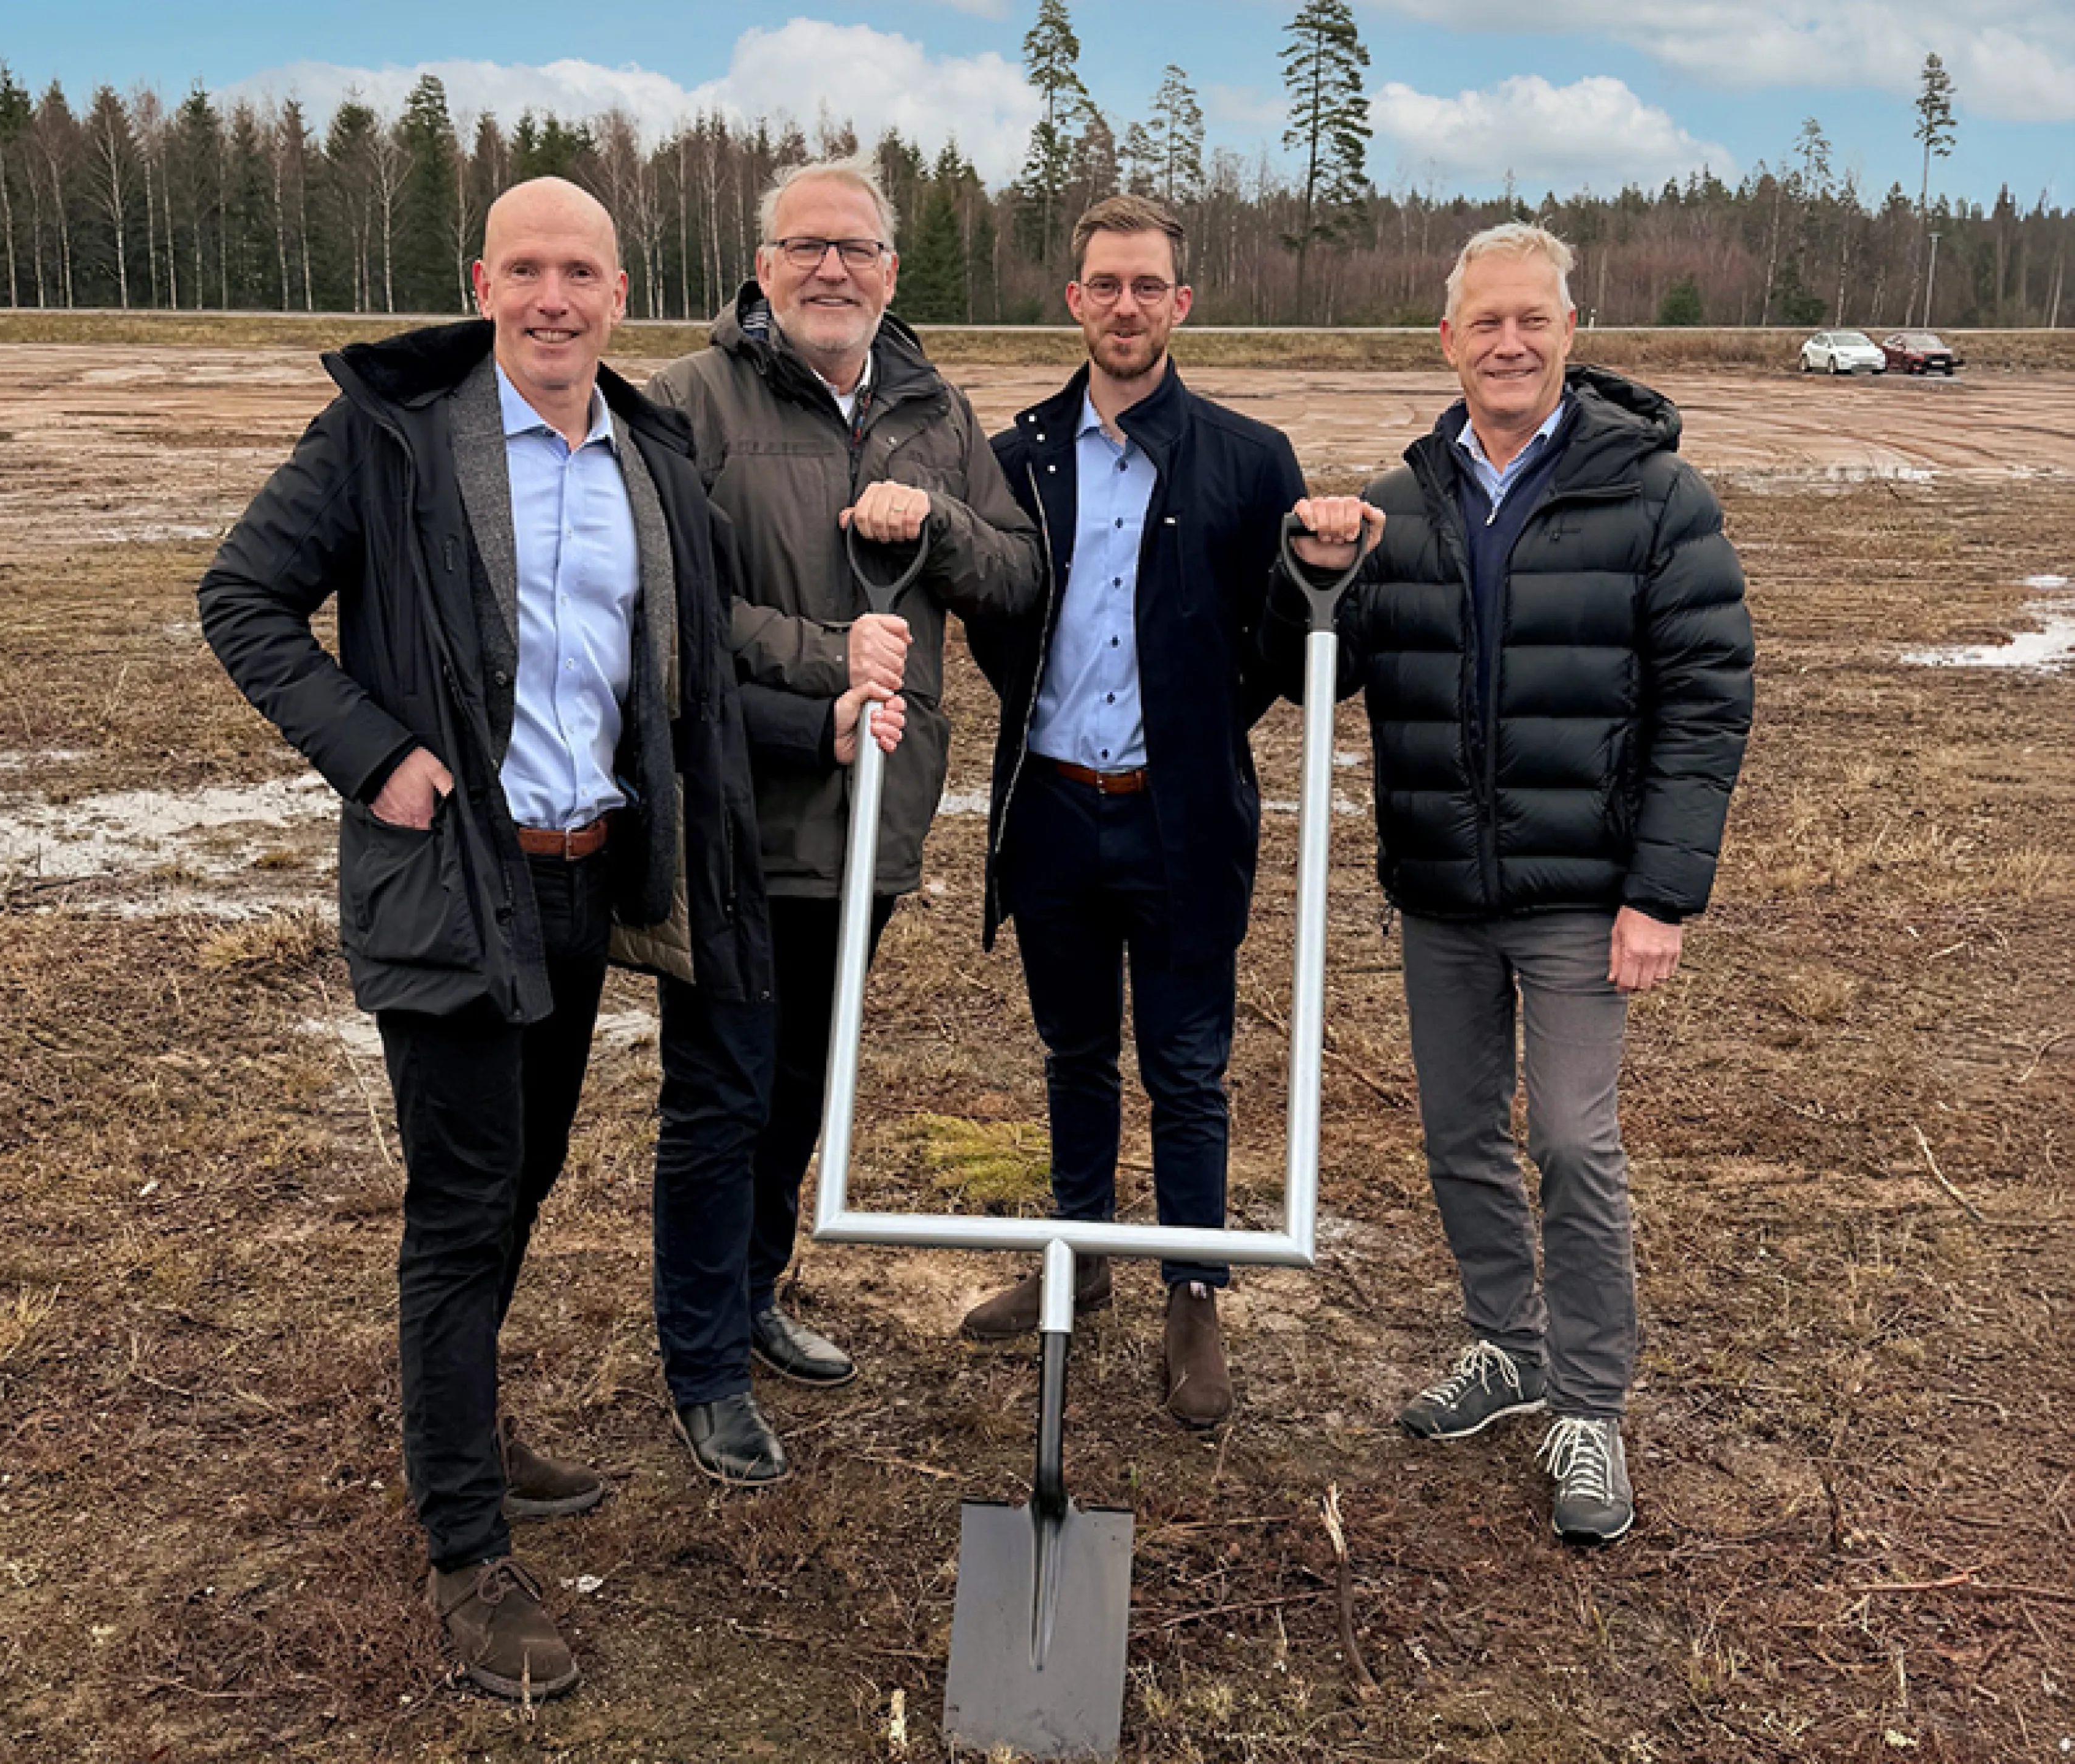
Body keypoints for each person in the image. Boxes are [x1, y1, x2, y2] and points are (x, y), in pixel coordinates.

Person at [198, 178, 880, 1699]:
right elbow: (242, 599)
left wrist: (822, 714)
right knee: (461, 1202)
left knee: (531, 1169)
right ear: (484, 281)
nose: (554, 298)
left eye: (581, 272)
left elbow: (689, 675)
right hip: (450, 881)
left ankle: (468, 1415)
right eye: (528, 270)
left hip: (583, 884)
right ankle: (464, 1549)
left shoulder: (648, 453)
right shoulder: (395, 441)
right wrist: (376, 755)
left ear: (620, 293)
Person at [1274, 222, 1753, 1542]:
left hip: (1582, 894)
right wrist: (1311, 571)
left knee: (1570, 1141)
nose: (1509, 342)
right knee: (1458, 1134)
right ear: (1448, 339)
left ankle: (1589, 1404)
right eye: (1485, 322)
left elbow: (1708, 702)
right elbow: (1314, 656)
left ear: (1569, 331)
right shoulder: (1402, 497)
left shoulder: (1656, 497)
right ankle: (1506, 1343)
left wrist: (1661, 894)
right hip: (1440, 887)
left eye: (1532, 320)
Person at [642, 155, 1042, 1483]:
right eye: (805, 247)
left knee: (806, 1084)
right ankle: (700, 1365)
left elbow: (1016, 580)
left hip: (873, 812)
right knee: (721, 1094)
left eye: (856, 250)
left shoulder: (935, 411)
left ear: (888, 275)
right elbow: (675, 604)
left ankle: (753, 1293)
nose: (831, 270)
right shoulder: (686, 403)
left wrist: (938, 529)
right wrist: (829, 657)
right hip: (735, 811)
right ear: (761, 269)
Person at [956, 195, 1306, 1429]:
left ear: (1180, 304)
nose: (1124, 306)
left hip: (1180, 819)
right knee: (1073, 1053)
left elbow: (1277, 637)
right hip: (1054, 812)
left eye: (1146, 286)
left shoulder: (1250, 458)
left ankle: (1195, 1291)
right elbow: (1001, 623)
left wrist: (1194, 716)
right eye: (1103, 285)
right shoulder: (1015, 462)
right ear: (1073, 300)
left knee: (1189, 1067)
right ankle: (1078, 1260)